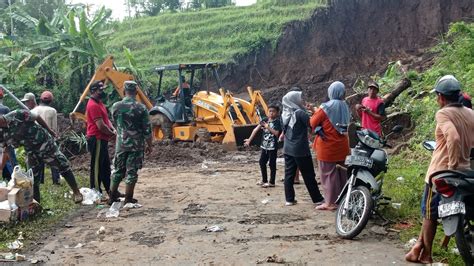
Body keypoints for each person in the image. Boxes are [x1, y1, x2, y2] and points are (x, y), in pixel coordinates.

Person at [405, 75, 474, 264]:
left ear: (441, 97)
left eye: (437, 96)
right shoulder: (470, 113)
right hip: (466, 172)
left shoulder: (443, 113)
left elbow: (453, 137)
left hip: (440, 173)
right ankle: (418, 247)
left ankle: (426, 255)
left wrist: (452, 164)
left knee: (429, 213)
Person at [0, 109, 83, 203]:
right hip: (31, 150)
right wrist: (1, 168)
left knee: (62, 165)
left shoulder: (18, 114)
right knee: (32, 178)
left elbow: (37, 117)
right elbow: (6, 150)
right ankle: (36, 204)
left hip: (45, 143)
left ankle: (76, 192)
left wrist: (49, 130)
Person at [109, 81, 153, 205]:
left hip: (121, 144)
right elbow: (147, 130)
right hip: (136, 145)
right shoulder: (141, 108)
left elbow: (116, 123)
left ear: (124, 90)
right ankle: (128, 198)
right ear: (136, 91)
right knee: (132, 171)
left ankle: (111, 197)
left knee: (118, 170)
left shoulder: (116, 106)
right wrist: (150, 145)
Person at [310, 81, 350, 211]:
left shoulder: (325, 107)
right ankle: (343, 199)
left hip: (327, 147)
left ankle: (331, 203)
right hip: (343, 146)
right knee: (342, 174)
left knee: (328, 175)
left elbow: (312, 122)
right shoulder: (345, 105)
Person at [281, 91, 324, 206]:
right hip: (300, 149)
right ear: (294, 100)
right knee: (309, 174)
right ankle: (317, 199)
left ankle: (289, 199)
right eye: (299, 98)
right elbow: (312, 124)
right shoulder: (300, 113)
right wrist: (314, 111)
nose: (301, 100)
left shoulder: (285, 112)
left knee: (289, 174)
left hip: (288, 147)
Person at [86, 81, 116, 196]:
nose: (103, 92)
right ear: (93, 91)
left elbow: (106, 120)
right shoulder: (93, 105)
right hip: (97, 138)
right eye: (100, 90)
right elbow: (100, 125)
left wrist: (113, 129)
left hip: (102, 138)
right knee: (97, 167)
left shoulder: (99, 103)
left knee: (105, 167)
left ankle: (110, 190)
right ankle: (96, 191)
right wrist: (111, 134)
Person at [244, 105, 282, 188]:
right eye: (270, 111)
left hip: (273, 147)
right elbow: (255, 129)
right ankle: (264, 180)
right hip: (264, 146)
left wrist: (268, 127)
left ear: (277, 113)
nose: (271, 113)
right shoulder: (265, 120)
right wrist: (249, 140)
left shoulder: (278, 122)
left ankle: (272, 182)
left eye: (273, 111)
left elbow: (277, 133)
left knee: (272, 164)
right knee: (262, 162)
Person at [33, 91, 60, 185]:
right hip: (48, 138)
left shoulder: (34, 110)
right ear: (51, 101)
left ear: (40, 99)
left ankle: (40, 181)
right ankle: (56, 180)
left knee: (39, 160)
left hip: (36, 139)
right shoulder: (52, 111)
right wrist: (56, 136)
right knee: (54, 159)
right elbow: (54, 127)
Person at [0, 86, 17, 181]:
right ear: (2, 97)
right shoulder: (5, 109)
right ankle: (13, 179)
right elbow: (11, 124)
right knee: (10, 158)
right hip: (5, 139)